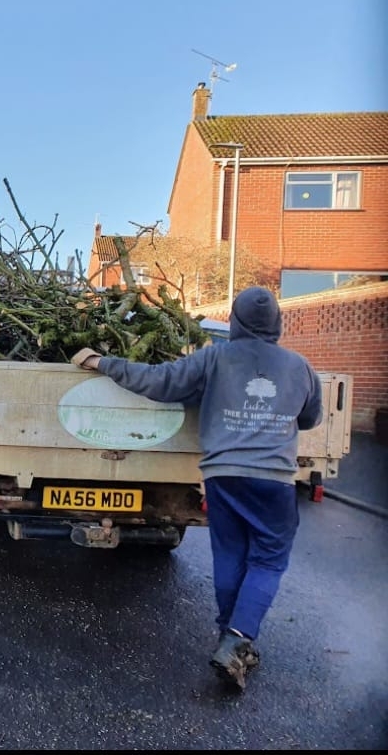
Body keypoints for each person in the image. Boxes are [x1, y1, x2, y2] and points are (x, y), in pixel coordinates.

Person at [71, 286, 323, 691]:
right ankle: (237, 640)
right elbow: (309, 418)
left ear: (236, 323)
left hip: (224, 475)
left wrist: (103, 362)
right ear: (277, 323)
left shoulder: (215, 358)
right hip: (273, 480)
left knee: (230, 554)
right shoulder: (300, 367)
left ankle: (230, 636)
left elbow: (160, 382)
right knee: (268, 562)